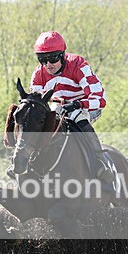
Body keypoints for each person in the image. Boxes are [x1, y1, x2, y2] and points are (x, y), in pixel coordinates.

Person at [27, 31, 113, 183]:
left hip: (87, 105)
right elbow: (37, 105)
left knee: (77, 117)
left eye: (52, 58)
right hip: (59, 106)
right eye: (42, 60)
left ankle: (100, 163)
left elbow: (100, 99)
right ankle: (25, 161)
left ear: (62, 55)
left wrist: (78, 104)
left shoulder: (78, 65)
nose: (48, 65)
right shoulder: (38, 74)